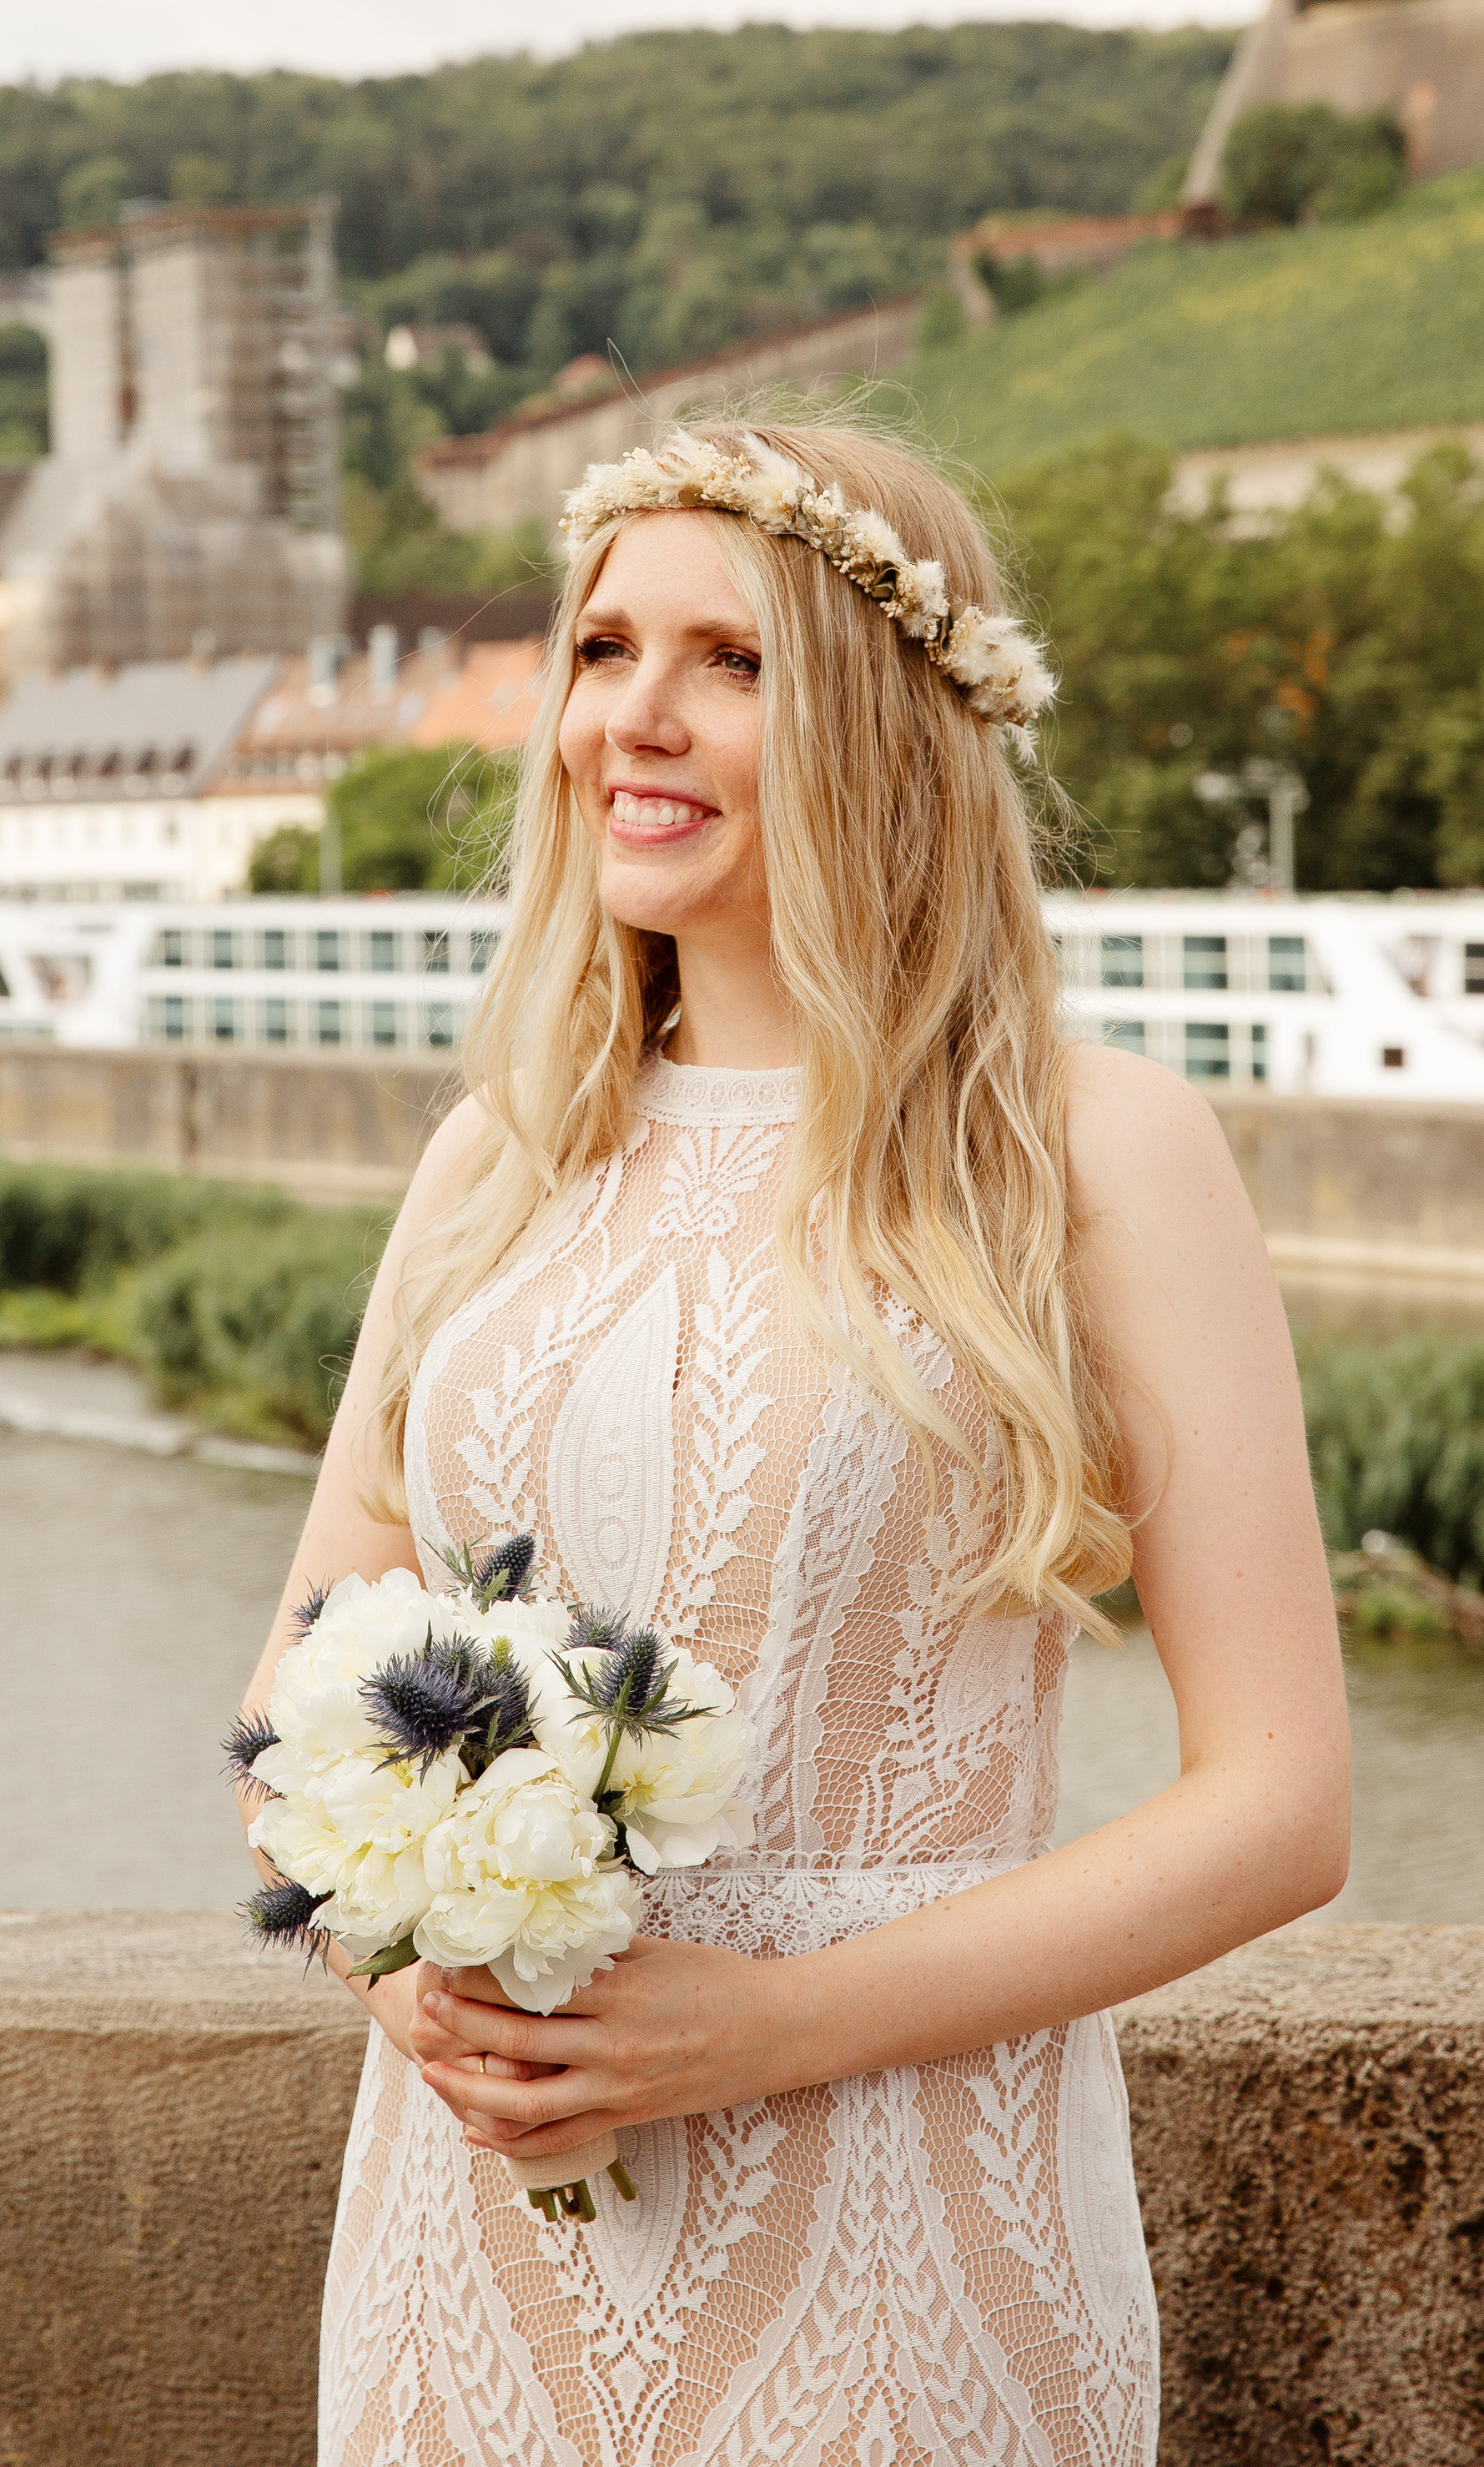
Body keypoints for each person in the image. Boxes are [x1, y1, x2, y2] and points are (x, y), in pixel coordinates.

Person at [237, 415, 1349, 2467]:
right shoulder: (499, 1150)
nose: (630, 720)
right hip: (465, 2243)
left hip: (900, 2225)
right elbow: (292, 1696)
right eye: (600, 650)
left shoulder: (1092, 1155)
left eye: (727, 663)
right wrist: (417, 1992)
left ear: (879, 719)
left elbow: (1281, 1805)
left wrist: (758, 2027)